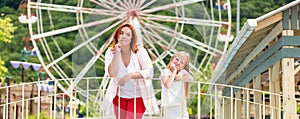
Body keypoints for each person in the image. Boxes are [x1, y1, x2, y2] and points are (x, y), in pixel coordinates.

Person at [103, 23, 158, 119]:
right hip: (119, 97)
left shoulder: (140, 52)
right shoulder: (110, 52)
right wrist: (116, 54)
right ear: (117, 35)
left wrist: (129, 76)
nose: (124, 36)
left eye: (128, 35)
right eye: (121, 33)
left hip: (138, 96)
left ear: (132, 39)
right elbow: (112, 73)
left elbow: (149, 71)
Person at [160, 51, 193, 119]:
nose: (178, 63)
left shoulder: (182, 72)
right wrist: (174, 71)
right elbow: (167, 85)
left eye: (181, 62)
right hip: (169, 104)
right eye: (177, 59)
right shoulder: (165, 72)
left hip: (181, 104)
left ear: (184, 66)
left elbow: (190, 78)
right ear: (172, 59)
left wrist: (179, 78)